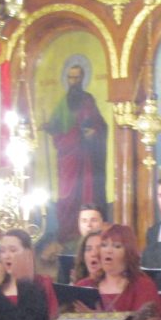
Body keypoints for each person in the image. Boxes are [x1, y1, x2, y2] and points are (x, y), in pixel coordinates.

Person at [42, 63, 108, 243]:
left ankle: (86, 236)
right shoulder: (63, 103)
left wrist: (94, 132)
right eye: (70, 77)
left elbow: (101, 125)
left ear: (82, 79)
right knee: (67, 195)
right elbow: (55, 125)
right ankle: (67, 234)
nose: (73, 81)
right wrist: (49, 127)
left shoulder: (88, 100)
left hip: (85, 156)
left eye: (76, 77)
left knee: (85, 191)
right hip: (67, 156)